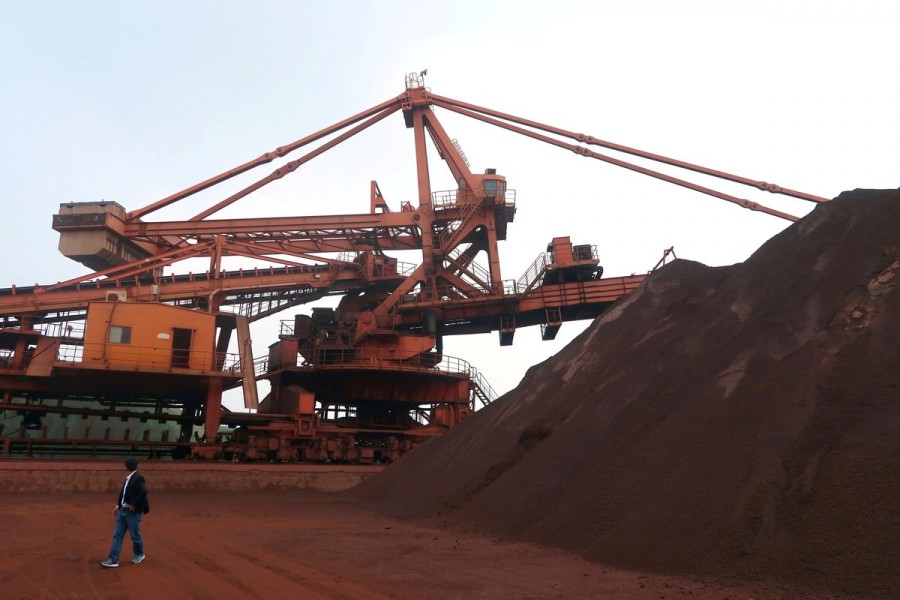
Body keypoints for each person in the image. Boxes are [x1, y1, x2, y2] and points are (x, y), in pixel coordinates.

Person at [100, 457, 150, 568]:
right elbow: (123, 493)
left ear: (127, 467)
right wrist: (118, 505)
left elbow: (143, 491)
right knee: (117, 534)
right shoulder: (130, 478)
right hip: (123, 510)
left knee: (135, 535)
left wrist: (133, 504)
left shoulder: (138, 478)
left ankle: (139, 553)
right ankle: (113, 559)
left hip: (133, 512)